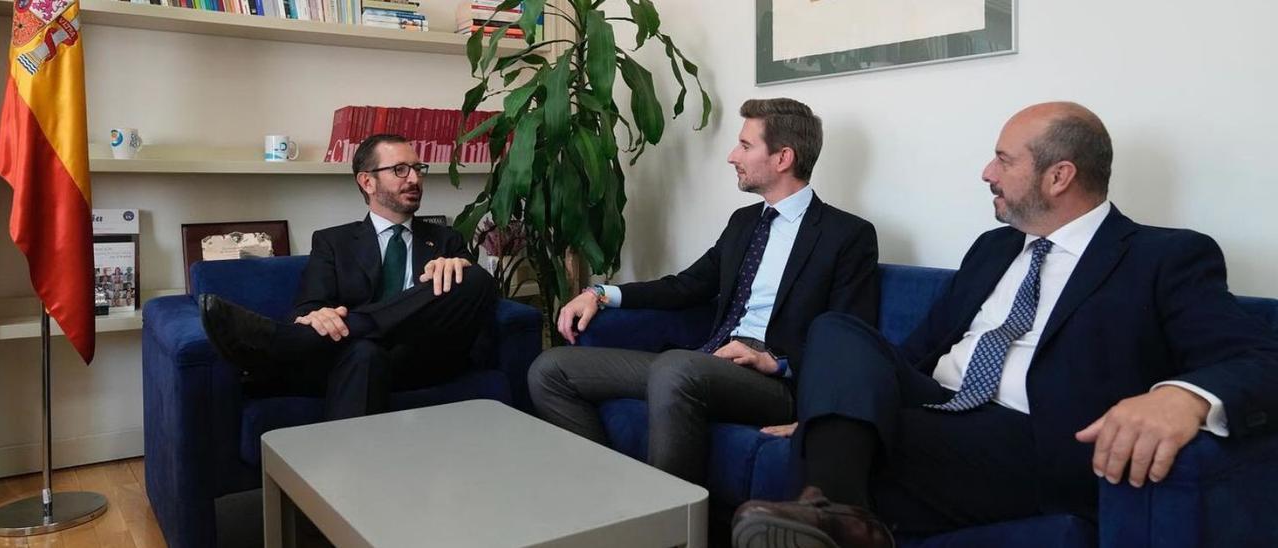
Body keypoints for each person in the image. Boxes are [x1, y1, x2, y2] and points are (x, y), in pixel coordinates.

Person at [730, 102, 1278, 548]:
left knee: (842, 441)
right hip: (937, 403)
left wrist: (1184, 398)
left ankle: (833, 509)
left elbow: (1260, 358)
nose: (987, 173)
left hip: (1029, 435)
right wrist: (837, 408)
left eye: (1003, 160)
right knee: (837, 329)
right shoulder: (993, 249)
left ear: (1059, 176)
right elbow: (913, 353)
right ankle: (842, 517)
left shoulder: (1164, 257)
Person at [527, 98, 880, 485]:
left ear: (783, 158)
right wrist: (600, 293)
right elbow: (687, 286)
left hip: (774, 384)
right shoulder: (745, 223)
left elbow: (851, 336)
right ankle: (608, 494)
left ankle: (669, 525)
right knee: (551, 369)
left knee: (676, 367)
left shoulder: (847, 235)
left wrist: (777, 362)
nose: (732, 156)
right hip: (703, 364)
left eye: (745, 146)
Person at [199, 133, 497, 420]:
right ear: (367, 181)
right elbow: (307, 308)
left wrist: (456, 266)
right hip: (356, 359)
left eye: (418, 169)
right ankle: (347, 472)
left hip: (424, 359)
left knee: (475, 279)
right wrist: (320, 316)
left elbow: (471, 305)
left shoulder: (446, 239)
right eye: (400, 170)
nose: (415, 179)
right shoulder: (333, 242)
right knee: (365, 354)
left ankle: (288, 341)